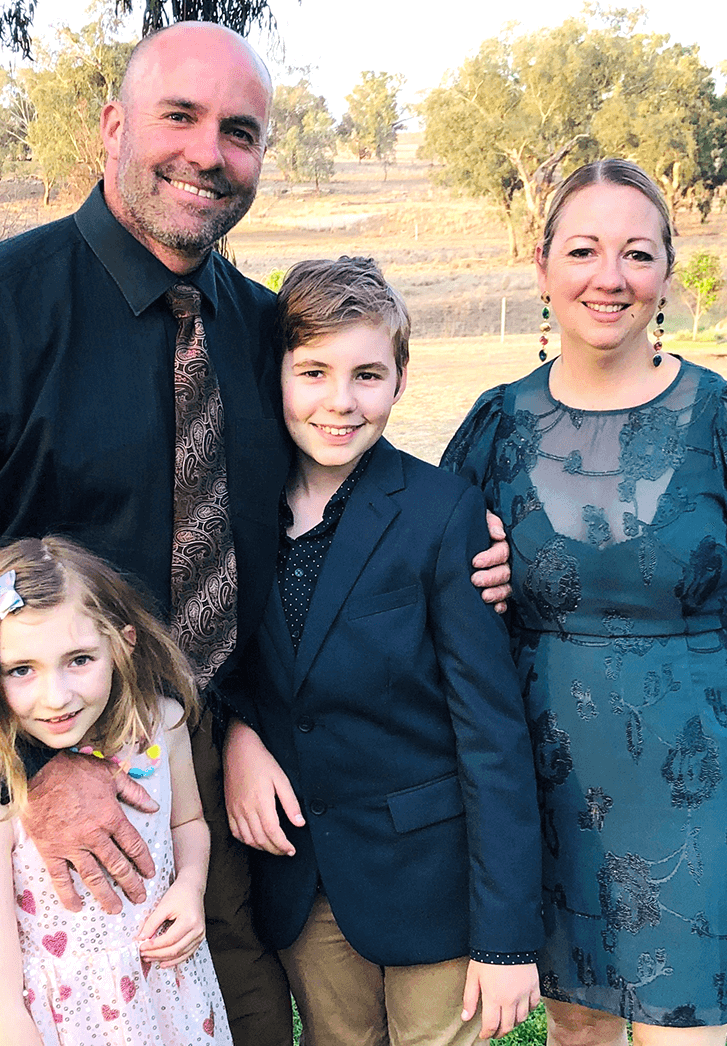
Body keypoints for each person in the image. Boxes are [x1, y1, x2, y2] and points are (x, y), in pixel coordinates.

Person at [0, 21, 510, 1046]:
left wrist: (464, 551)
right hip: (4, 777)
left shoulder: (263, 331)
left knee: (218, 1016)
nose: (207, 152)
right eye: (178, 116)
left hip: (193, 773)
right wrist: (33, 770)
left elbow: (319, 502)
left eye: (239, 131)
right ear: (112, 129)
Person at [441, 160, 727, 1046]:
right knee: (576, 1031)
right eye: (582, 250)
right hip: (548, 791)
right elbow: (444, 595)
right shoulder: (494, 427)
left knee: (680, 1033)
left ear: (667, 270)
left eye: (637, 253)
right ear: (541, 267)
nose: (608, 277)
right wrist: (488, 590)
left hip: (703, 793)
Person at [220, 257, 542, 1045]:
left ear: (400, 381)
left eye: (368, 374)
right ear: (280, 376)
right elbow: (226, 659)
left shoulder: (441, 513)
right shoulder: (238, 509)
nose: (340, 402)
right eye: (315, 372)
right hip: (305, 879)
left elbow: (491, 732)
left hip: (433, 879)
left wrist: (505, 939)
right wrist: (237, 732)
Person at [0, 535, 231, 1046]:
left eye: (80, 660)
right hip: (50, 1024)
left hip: (165, 1006)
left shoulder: (161, 727)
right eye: (22, 670)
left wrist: (190, 887)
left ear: (123, 643)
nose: (57, 696)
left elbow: (188, 823)